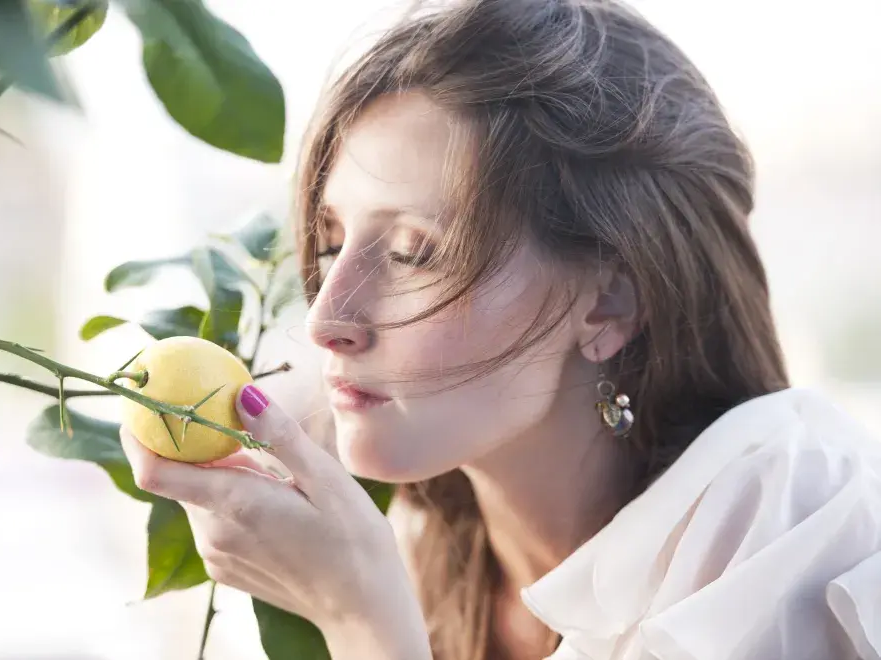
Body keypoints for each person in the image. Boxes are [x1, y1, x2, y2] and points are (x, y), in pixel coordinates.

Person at [119, 0, 881, 658]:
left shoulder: (781, 508)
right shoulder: (414, 550)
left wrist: (358, 619)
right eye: (329, 243)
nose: (326, 317)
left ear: (608, 303)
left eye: (415, 252)